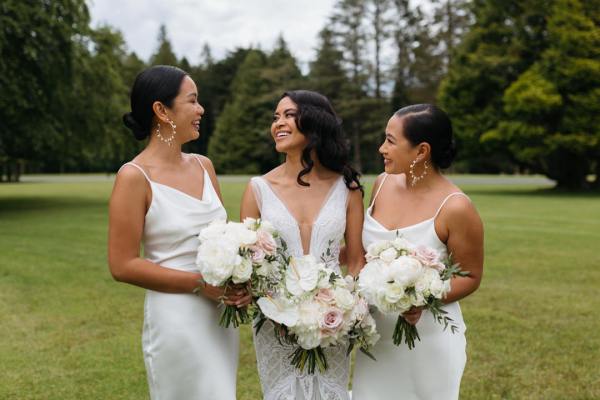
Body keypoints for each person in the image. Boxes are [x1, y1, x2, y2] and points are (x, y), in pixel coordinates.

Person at [108, 65, 250, 400]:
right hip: (176, 318)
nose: (201, 110)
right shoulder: (134, 177)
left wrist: (239, 279)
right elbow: (122, 265)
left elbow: (221, 241)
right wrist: (201, 285)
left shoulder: (204, 166)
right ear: (161, 110)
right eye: (193, 101)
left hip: (217, 317)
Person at [351, 104, 484, 400]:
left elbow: (471, 276)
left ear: (421, 151)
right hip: (377, 337)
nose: (381, 148)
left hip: (428, 340)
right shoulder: (383, 183)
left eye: (391, 140)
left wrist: (422, 299)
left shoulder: (456, 207)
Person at [240, 90, 365, 400]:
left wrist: (350, 309)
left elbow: (357, 260)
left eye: (288, 115)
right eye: (275, 117)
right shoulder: (258, 189)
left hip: (332, 321)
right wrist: (273, 310)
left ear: (314, 122)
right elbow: (249, 264)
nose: (278, 123)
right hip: (274, 323)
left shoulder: (347, 188)